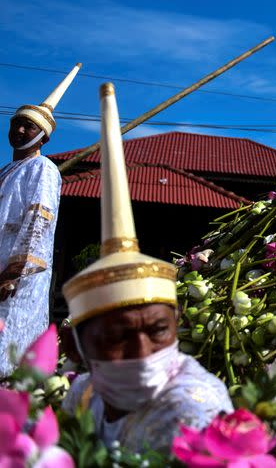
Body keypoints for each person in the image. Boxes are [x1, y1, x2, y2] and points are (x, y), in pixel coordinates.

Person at [62, 83, 232, 454]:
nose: (141, 351)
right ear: (76, 347)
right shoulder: (83, 394)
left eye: (157, 330)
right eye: (116, 337)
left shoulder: (191, 410)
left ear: (178, 322)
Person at [0, 63, 80, 377]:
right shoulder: (5, 172)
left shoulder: (43, 169)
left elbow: (39, 223)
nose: (20, 130)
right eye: (17, 123)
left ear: (43, 138)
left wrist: (13, 273)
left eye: (29, 127)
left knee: (10, 346)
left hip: (16, 276)